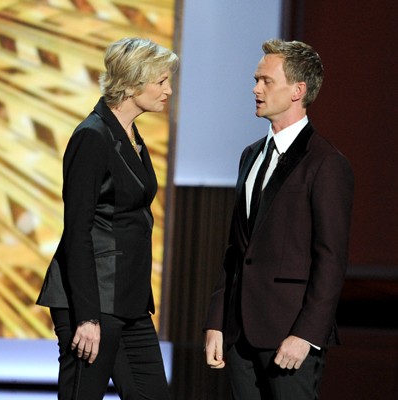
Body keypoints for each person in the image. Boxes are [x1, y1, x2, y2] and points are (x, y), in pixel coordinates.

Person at [204, 39, 354, 399]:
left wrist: (306, 334)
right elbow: (236, 249)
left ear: (297, 91)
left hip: (290, 335)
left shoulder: (326, 163)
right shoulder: (250, 156)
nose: (255, 89)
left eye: (266, 81)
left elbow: (331, 259)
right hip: (239, 335)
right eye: (256, 80)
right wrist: (217, 321)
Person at [37, 38, 178, 399]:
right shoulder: (93, 136)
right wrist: (88, 316)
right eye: (161, 82)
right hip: (93, 299)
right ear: (132, 84)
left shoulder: (129, 135)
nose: (169, 90)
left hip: (129, 298)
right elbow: (77, 232)